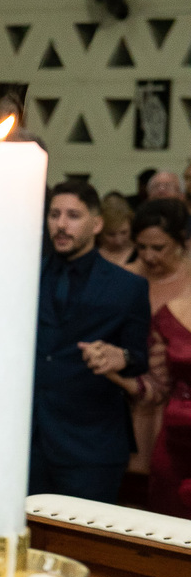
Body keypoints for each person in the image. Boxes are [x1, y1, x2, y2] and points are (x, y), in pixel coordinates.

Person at [30, 180, 150, 577]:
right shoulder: (25, 274)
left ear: (97, 223)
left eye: (73, 215)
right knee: (26, 544)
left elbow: (139, 357)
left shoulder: (126, 287)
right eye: (55, 213)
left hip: (92, 440)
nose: (61, 224)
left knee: (86, 552)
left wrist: (120, 357)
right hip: (31, 434)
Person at [106, 292, 191, 577]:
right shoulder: (170, 311)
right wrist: (125, 378)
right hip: (173, 455)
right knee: (164, 561)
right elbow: (156, 389)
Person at [121, 199, 191, 480]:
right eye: (141, 247)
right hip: (127, 400)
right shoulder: (123, 280)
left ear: (180, 241)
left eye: (158, 248)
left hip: (177, 409)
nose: (148, 256)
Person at [97, 193, 134, 267]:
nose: (118, 241)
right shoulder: (90, 255)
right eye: (111, 234)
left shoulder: (142, 254)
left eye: (124, 232)